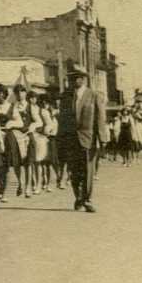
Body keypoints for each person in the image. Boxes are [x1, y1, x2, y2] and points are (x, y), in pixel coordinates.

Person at [56, 65, 108, 213]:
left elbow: (100, 118)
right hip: (70, 139)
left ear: (84, 79)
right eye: (71, 78)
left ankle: (87, 199)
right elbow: (63, 119)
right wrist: (61, 138)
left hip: (88, 138)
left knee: (87, 170)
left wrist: (102, 139)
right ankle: (78, 197)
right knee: (73, 170)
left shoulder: (94, 95)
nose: (74, 81)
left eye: (77, 77)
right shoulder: (66, 96)